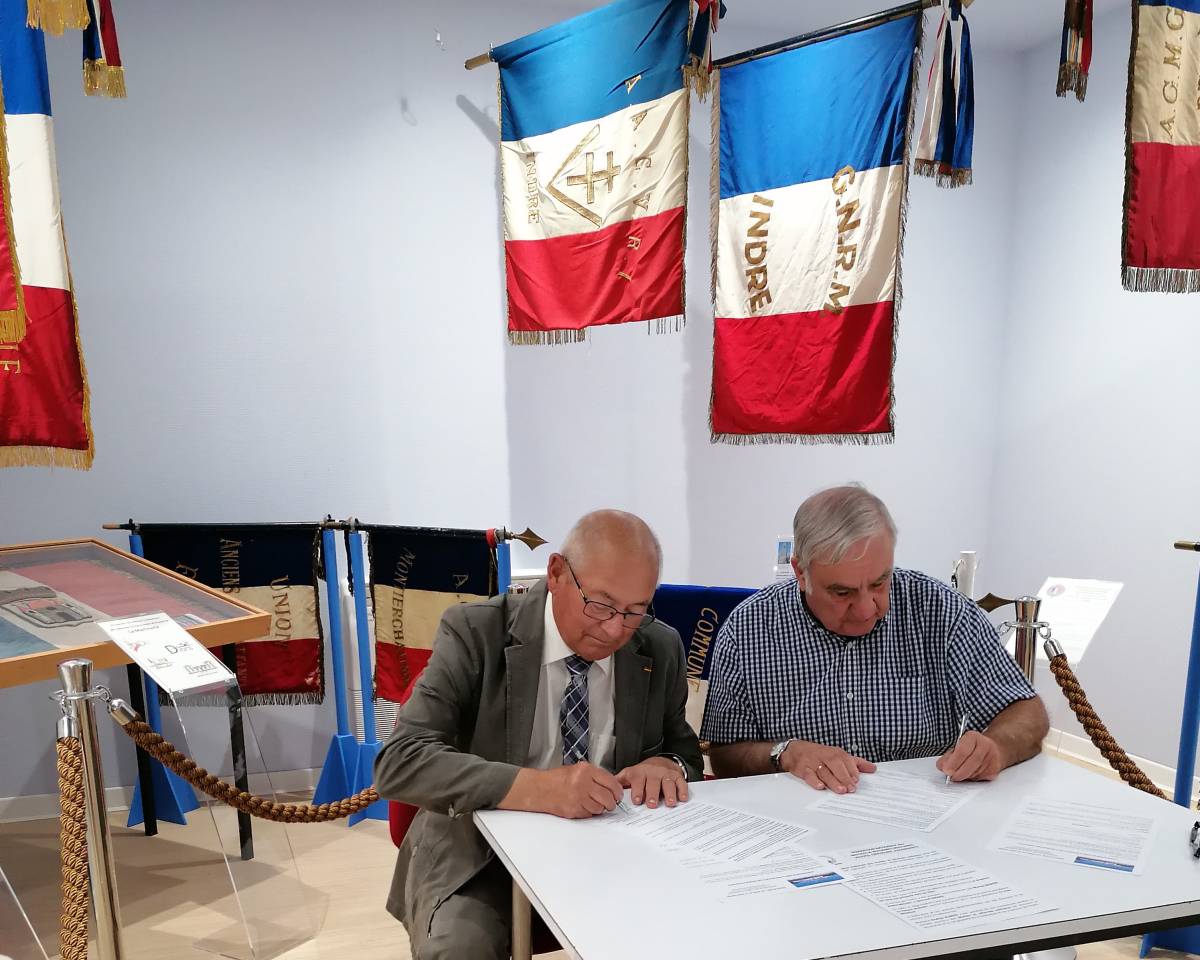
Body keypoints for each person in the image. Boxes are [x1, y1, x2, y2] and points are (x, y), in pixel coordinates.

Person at [375, 509, 703, 960]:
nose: (615, 629)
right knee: (459, 949)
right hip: (479, 850)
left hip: (618, 850)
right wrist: (539, 789)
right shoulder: (475, 632)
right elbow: (401, 761)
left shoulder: (659, 646)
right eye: (601, 604)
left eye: (635, 611)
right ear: (556, 573)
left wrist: (666, 765)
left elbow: (685, 752)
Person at [701, 484, 1048, 793]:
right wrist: (784, 753)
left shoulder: (938, 609)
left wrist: (996, 747)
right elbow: (725, 755)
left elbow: (1026, 712)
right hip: (799, 821)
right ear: (800, 573)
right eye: (842, 592)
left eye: (880, 582)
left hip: (923, 817)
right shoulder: (749, 629)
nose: (867, 608)